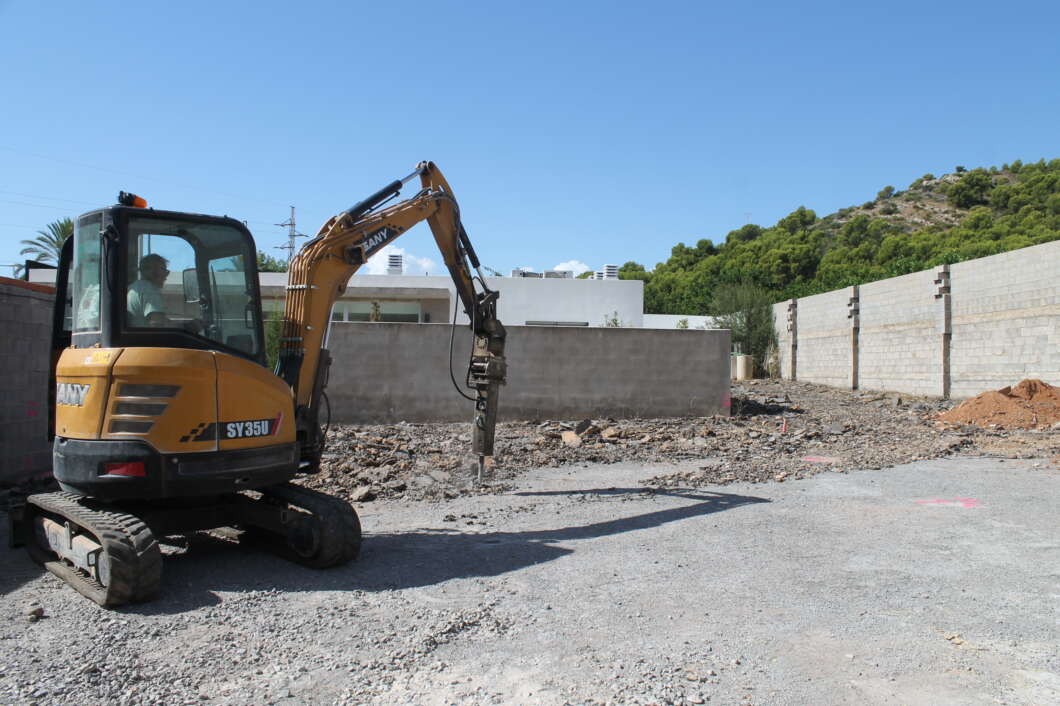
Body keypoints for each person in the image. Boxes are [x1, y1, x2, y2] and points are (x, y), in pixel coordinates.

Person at [127, 253, 169, 327]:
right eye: (163, 269)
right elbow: (157, 324)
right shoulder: (150, 290)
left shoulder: (133, 287)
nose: (166, 274)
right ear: (152, 271)